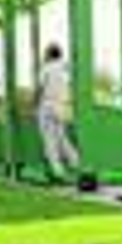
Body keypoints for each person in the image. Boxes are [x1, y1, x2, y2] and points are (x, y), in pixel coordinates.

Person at [36, 42, 80, 183]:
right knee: (61, 137)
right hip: (64, 106)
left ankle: (58, 171)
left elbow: (40, 88)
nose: (44, 55)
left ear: (50, 54)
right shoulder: (66, 68)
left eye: (46, 52)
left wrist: (33, 104)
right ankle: (76, 163)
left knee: (49, 140)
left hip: (48, 105)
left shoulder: (47, 68)